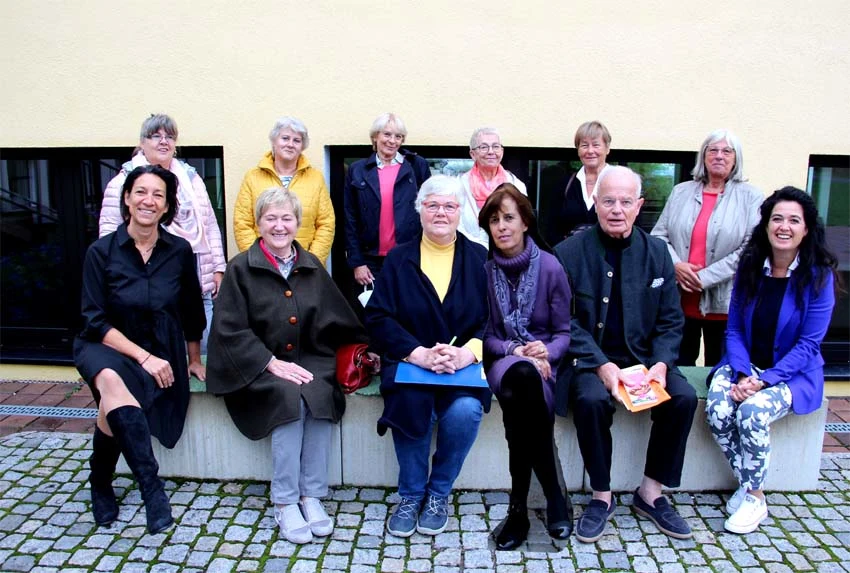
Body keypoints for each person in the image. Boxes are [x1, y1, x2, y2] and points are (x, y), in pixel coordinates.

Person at [206, 187, 370, 544]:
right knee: (289, 397)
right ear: (258, 223)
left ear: (298, 223)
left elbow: (339, 317)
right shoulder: (239, 269)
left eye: (287, 218)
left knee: (319, 392)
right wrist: (269, 362)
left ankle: (312, 496)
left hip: (310, 359)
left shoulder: (311, 265)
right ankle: (283, 501)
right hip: (259, 367)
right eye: (271, 218)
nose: (279, 226)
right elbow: (229, 329)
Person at [554, 166, 697, 543]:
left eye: (625, 201)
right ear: (596, 204)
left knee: (683, 398)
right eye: (608, 200)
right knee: (589, 400)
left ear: (639, 206)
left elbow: (670, 320)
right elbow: (563, 322)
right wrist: (601, 365)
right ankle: (601, 496)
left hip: (647, 360)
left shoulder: (657, 254)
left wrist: (663, 365)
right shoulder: (567, 253)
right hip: (590, 360)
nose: (616, 209)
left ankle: (650, 493)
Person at [75, 165, 205, 534]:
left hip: (161, 345)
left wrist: (194, 359)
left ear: (166, 207)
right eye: (141, 192)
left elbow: (191, 309)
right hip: (105, 344)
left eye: (158, 195)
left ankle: (100, 480)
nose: (149, 200)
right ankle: (152, 488)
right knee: (112, 379)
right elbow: (93, 321)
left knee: (110, 403)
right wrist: (143, 357)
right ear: (128, 199)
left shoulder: (179, 251)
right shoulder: (101, 252)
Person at [706, 187, 837, 534]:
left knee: (751, 412)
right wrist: (743, 373)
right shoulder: (749, 269)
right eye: (777, 218)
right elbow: (733, 330)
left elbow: (809, 344)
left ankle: (754, 496)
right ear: (766, 225)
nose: (784, 226)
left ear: (806, 229)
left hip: (793, 374)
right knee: (718, 411)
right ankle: (751, 488)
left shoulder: (819, 278)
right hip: (744, 365)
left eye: (794, 220)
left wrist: (763, 382)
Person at [365, 175, 489, 538]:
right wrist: (417, 353)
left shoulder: (480, 258)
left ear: (460, 212)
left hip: (462, 367)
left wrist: (468, 353)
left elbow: (493, 319)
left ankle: (438, 494)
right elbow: (377, 316)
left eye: (449, 206)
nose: (441, 212)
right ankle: (411, 494)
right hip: (410, 363)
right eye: (432, 205)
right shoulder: (399, 258)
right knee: (410, 400)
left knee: (466, 410)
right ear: (419, 211)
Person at [479, 184, 572, 549]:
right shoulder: (484, 270)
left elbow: (565, 332)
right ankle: (553, 495)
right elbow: (485, 334)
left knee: (521, 413)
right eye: (494, 220)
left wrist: (545, 352)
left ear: (525, 223)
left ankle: (518, 509)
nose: (501, 226)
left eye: (509, 218)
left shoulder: (550, 266)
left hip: (545, 364)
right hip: (504, 361)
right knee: (520, 374)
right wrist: (515, 349)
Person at [99, 114, 225, 353]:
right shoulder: (124, 181)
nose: (163, 141)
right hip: (149, 278)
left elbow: (209, 225)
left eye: (169, 136)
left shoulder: (191, 178)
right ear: (142, 143)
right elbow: (108, 233)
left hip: (197, 275)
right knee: (161, 348)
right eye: (155, 136)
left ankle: (195, 387)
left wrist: (218, 267)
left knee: (202, 344)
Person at [652, 129, 763, 366]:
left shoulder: (751, 197)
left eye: (727, 151)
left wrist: (702, 278)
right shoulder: (681, 191)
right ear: (703, 156)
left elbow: (750, 248)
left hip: (725, 304)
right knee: (678, 369)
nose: (719, 156)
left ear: (736, 158)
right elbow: (658, 236)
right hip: (680, 299)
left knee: (720, 369)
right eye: (713, 150)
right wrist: (677, 266)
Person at [344, 112, 431, 287]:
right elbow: (349, 217)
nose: (392, 141)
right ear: (375, 137)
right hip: (370, 260)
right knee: (373, 311)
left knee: (408, 311)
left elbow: (429, 210)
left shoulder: (416, 166)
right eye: (387, 134)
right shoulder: (357, 170)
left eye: (398, 136)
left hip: (409, 256)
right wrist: (357, 262)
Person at [233, 117, 335, 265]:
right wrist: (258, 260)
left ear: (302, 146)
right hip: (261, 268)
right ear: (274, 141)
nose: (290, 144)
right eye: (285, 138)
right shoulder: (253, 177)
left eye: (296, 140)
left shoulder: (315, 178)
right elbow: (242, 223)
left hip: (305, 268)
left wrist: (311, 261)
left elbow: (326, 223)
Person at [458, 127, 527, 248]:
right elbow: (456, 225)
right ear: (472, 154)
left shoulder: (516, 185)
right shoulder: (459, 185)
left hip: (506, 251)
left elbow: (523, 222)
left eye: (495, 146)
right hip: (469, 252)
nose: (491, 152)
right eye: (484, 147)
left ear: (502, 151)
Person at [550, 121, 613, 242]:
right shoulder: (565, 185)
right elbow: (552, 228)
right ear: (578, 150)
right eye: (584, 145)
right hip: (570, 257)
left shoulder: (620, 182)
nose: (590, 151)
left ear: (607, 148)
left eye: (596, 145)